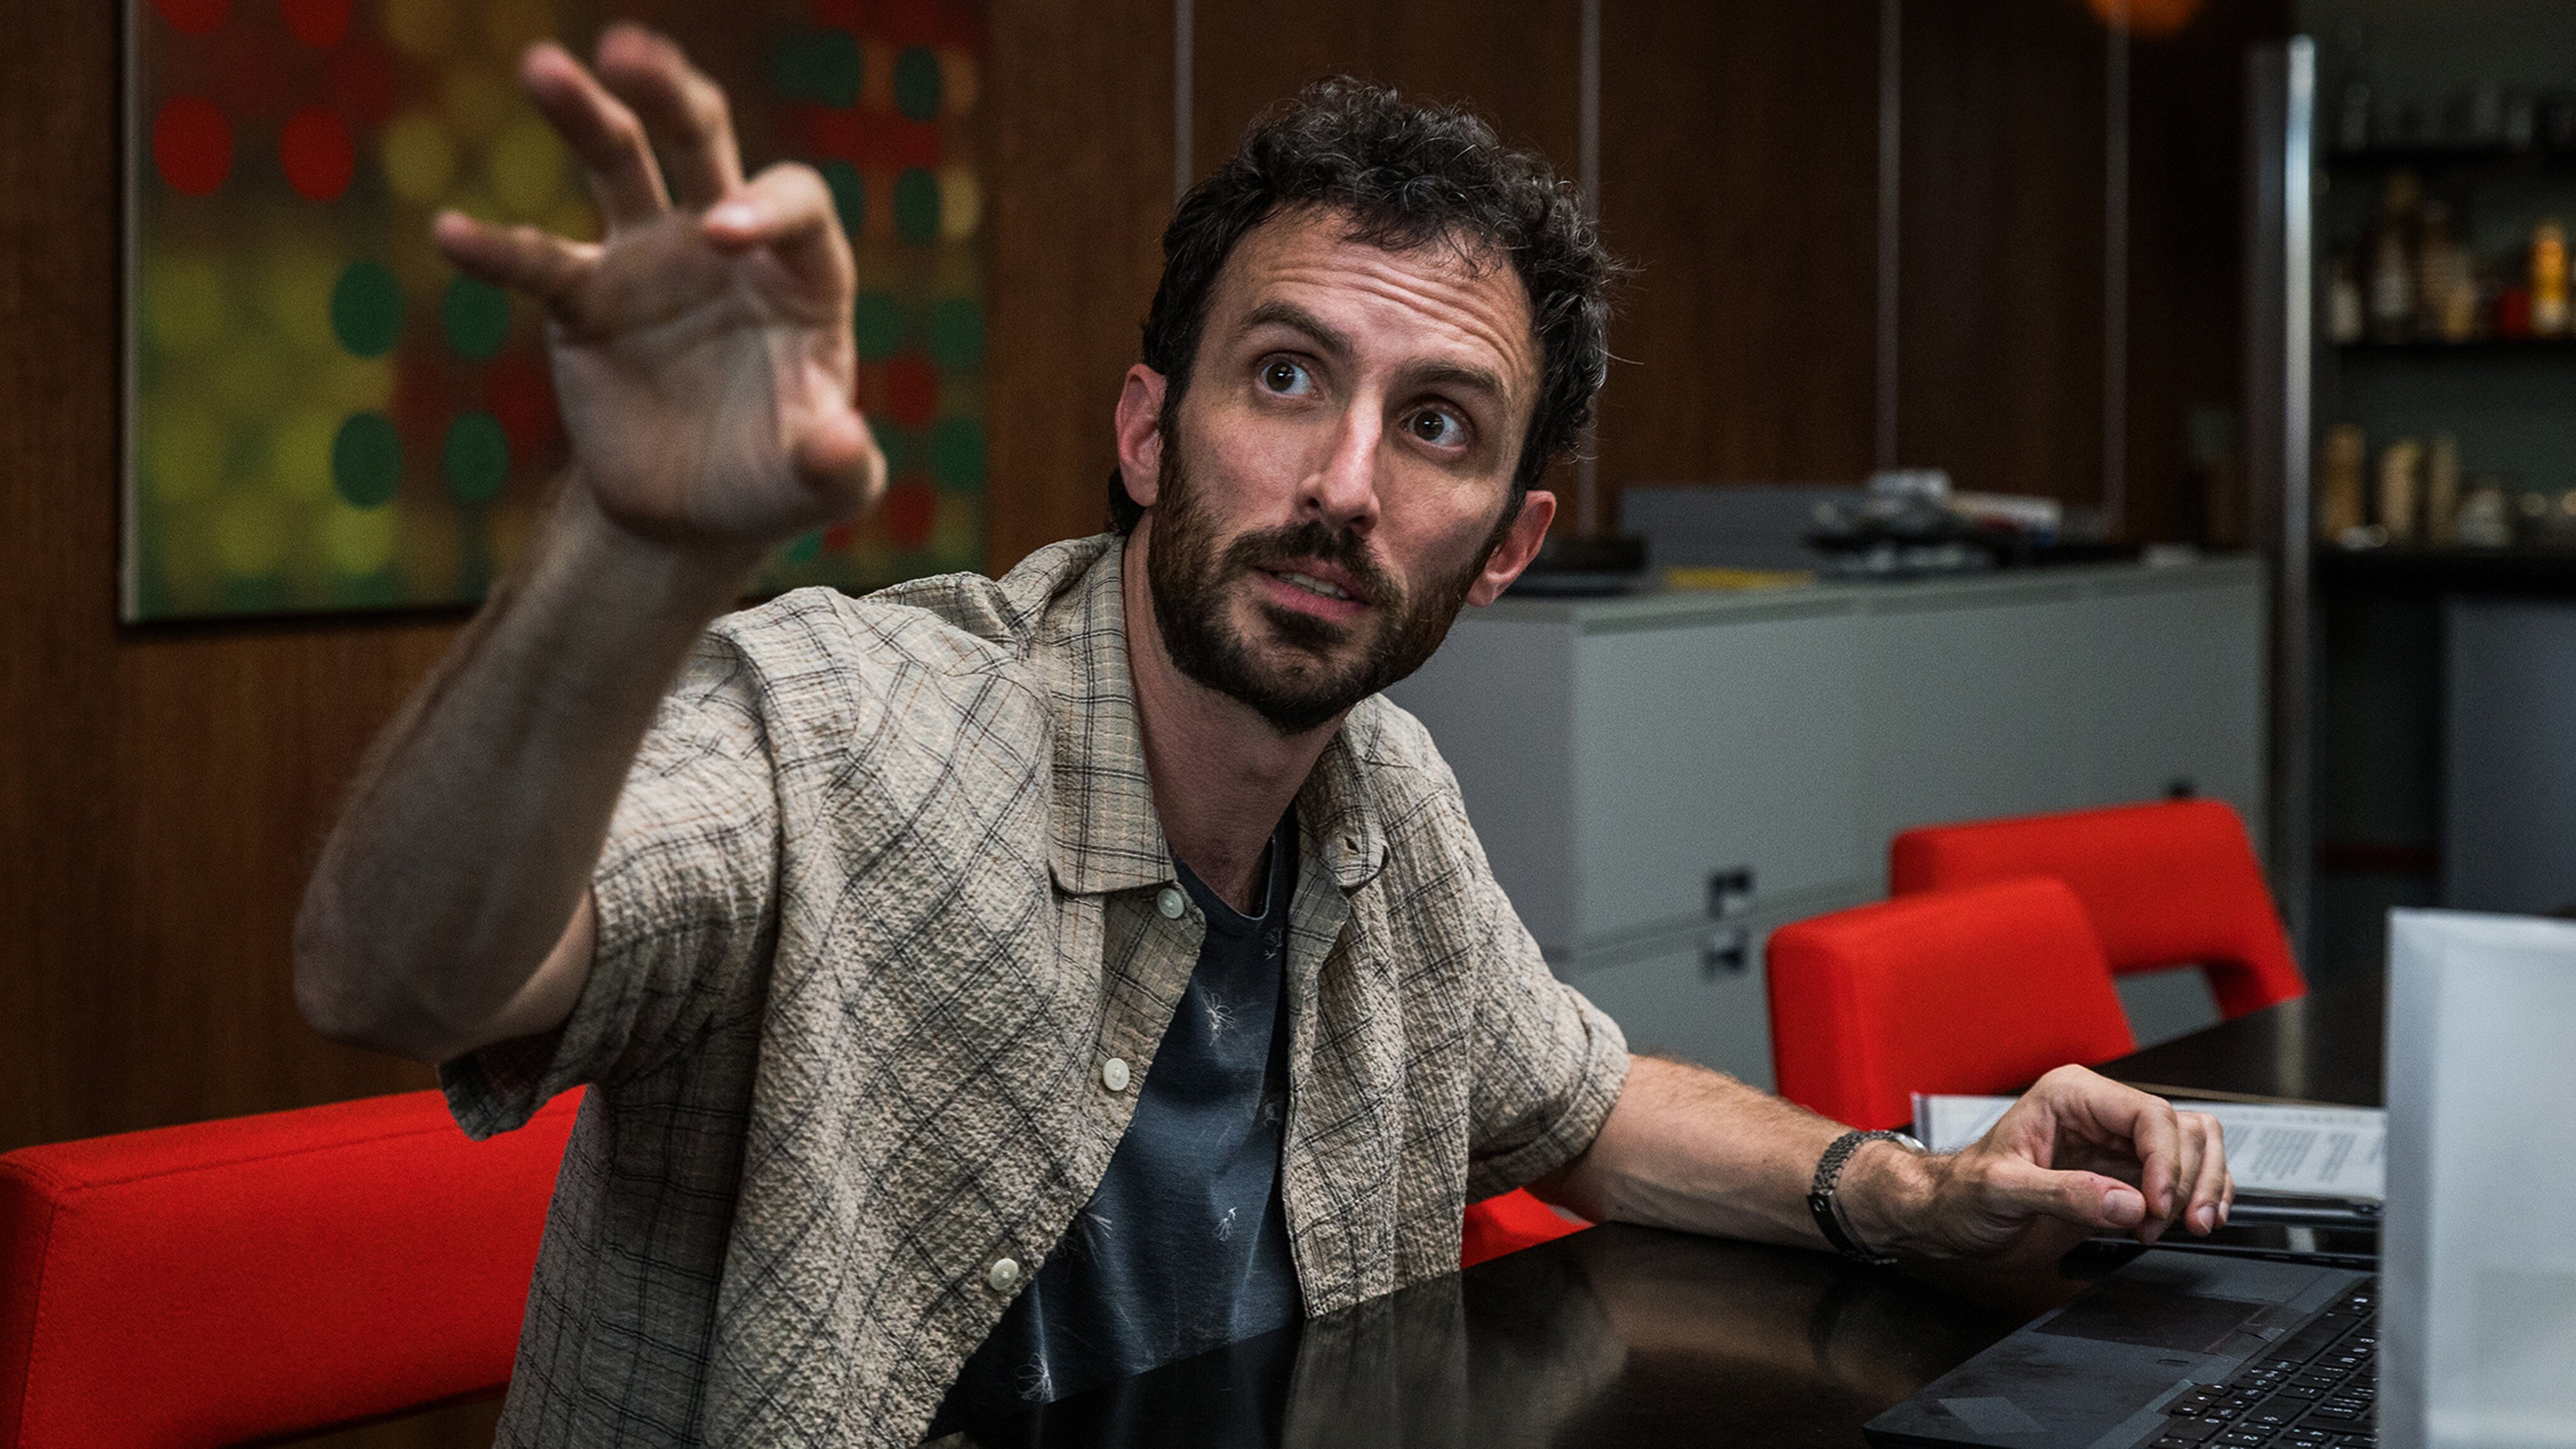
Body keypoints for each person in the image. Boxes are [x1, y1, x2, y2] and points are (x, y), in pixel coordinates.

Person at [293, 24, 2232, 1449]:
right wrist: (626, 554)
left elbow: (1579, 1101)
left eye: (1437, 425)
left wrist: (1899, 1189)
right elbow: (394, 977)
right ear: (1151, 432)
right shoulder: (856, 723)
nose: (1343, 484)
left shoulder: (1384, 801)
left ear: (1505, 550)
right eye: (1288, 375)